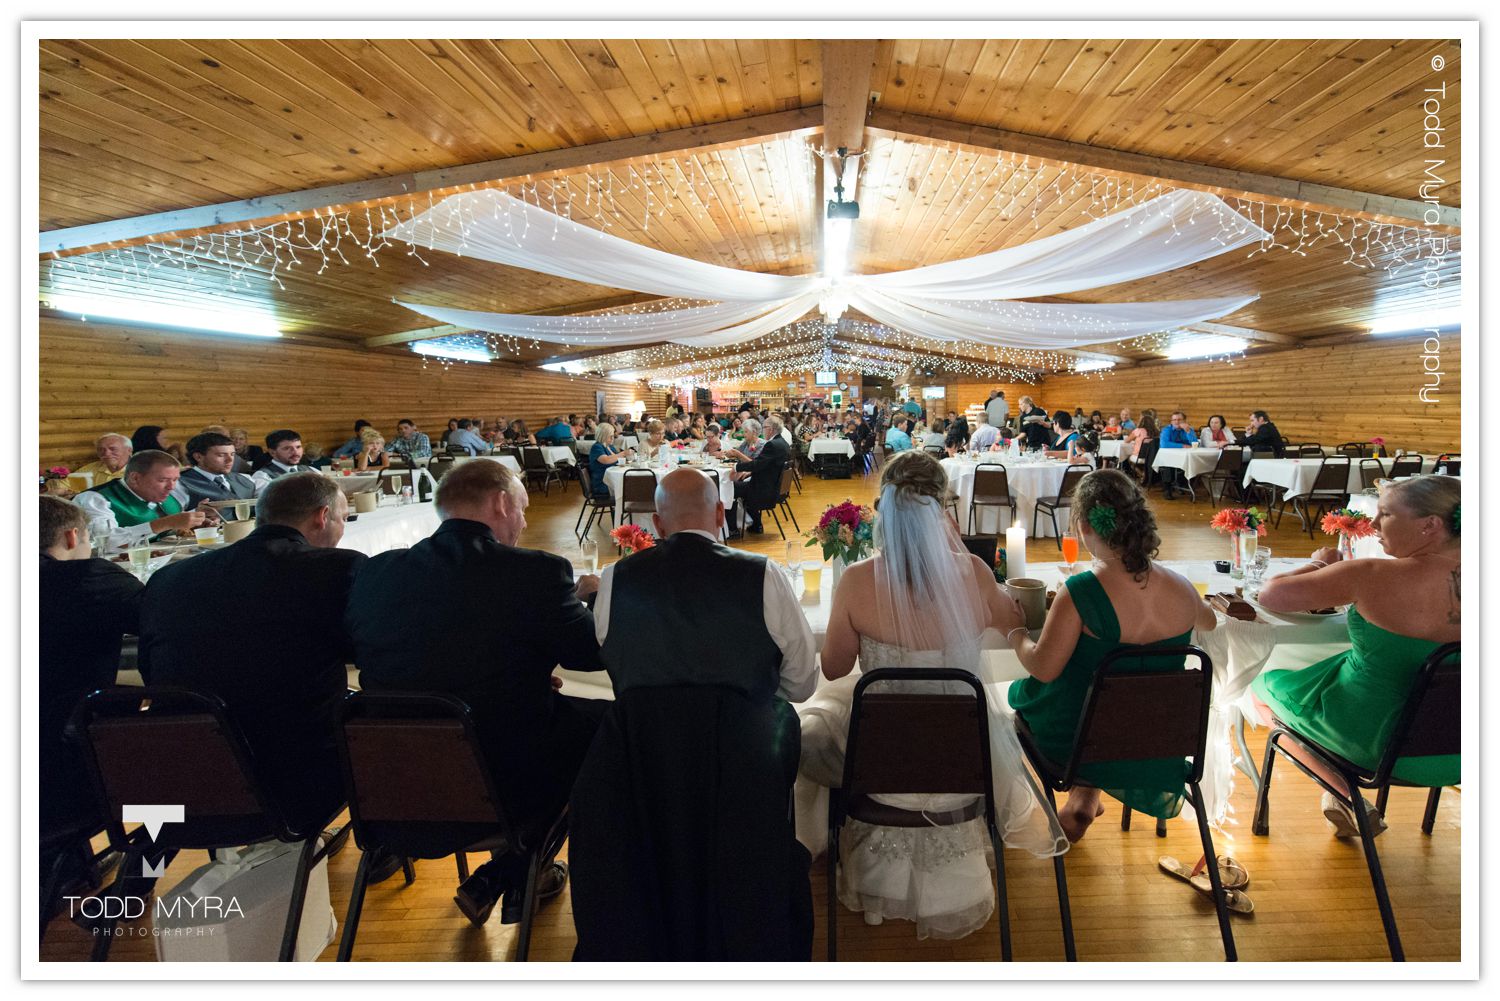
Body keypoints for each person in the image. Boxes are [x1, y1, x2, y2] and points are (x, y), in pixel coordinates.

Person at [801, 451, 1067, 939]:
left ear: (885, 512)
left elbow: (834, 667)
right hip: (961, 755)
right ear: (941, 510)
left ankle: (832, 851)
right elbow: (1014, 622)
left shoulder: (859, 581)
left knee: (813, 731)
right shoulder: (974, 573)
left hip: (883, 755)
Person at [346, 460, 606, 927]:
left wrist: (517, 672)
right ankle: (525, 865)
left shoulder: (377, 572)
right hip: (500, 773)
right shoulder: (536, 571)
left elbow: (405, 650)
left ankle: (513, 869)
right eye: (523, 509)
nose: (525, 521)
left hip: (394, 778)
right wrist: (588, 598)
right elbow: (589, 655)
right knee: (614, 729)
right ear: (502, 502)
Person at [1002, 468, 1218, 842]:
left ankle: (1081, 794)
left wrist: (1016, 632)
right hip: (1154, 741)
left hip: (1075, 743)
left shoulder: (1081, 591)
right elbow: (1210, 622)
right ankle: (1085, 798)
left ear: (1085, 526)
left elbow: (1044, 668)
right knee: (1109, 704)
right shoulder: (1181, 588)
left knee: (1030, 696)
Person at [139, 472, 361, 833]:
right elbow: (363, 650)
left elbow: (151, 669)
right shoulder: (340, 567)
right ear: (322, 517)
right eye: (342, 518)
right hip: (294, 773)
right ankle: (386, 845)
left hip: (179, 772)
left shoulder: (170, 577)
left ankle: (147, 869)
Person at [1252, 475, 1460, 837]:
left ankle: (1345, 794)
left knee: (1259, 685)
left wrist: (1321, 565)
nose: (1375, 524)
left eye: (1386, 515)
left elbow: (1271, 595)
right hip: (1462, 747)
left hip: (1374, 740)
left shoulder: (1371, 574)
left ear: (1430, 525)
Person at [595, 467, 815, 704]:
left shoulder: (614, 578)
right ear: (720, 513)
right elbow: (801, 683)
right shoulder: (765, 573)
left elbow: (615, 661)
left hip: (643, 737)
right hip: (745, 736)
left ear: (658, 524)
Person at [39, 497, 144, 850]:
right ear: (72, 537)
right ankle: (141, 875)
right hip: (64, 774)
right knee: (174, 784)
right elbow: (160, 622)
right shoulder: (88, 577)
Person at [74, 449, 211, 551]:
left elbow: (171, 529)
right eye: (162, 480)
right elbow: (105, 542)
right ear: (135, 478)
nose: (171, 487)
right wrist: (163, 524)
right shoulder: (95, 499)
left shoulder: (163, 495)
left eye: (175, 480)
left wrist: (193, 521)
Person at [728, 417, 790, 536]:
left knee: (731, 488)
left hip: (764, 489)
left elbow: (757, 464)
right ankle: (756, 524)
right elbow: (764, 465)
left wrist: (737, 467)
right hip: (772, 486)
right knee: (738, 485)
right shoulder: (782, 442)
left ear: (771, 429)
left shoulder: (772, 444)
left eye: (764, 427)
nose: (762, 430)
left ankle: (733, 530)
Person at [175, 431, 257, 514]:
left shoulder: (246, 479)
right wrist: (196, 512)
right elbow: (173, 519)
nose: (230, 460)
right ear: (198, 457)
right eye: (221, 455)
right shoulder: (179, 484)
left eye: (232, 454)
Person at [250, 429, 319, 493]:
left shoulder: (312, 471)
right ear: (272, 452)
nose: (295, 452)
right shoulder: (263, 476)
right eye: (287, 448)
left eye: (298, 447)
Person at [1156, 411, 1198, 500]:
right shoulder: (1167, 430)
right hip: (1168, 456)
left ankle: (1188, 487)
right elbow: (1164, 444)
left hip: (1184, 456)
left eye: (1179, 419)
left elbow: (1195, 443)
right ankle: (1167, 489)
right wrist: (1183, 445)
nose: (1176, 422)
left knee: (1194, 462)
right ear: (1171, 421)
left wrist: (1188, 432)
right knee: (1168, 464)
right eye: (1174, 420)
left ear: (1184, 421)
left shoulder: (1189, 429)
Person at [588, 422, 633, 498]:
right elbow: (606, 460)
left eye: (613, 436)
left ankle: (627, 508)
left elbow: (618, 460)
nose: (613, 438)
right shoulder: (597, 447)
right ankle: (623, 508)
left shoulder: (610, 447)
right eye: (610, 436)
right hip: (602, 483)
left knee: (633, 484)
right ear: (603, 436)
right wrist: (623, 453)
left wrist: (629, 459)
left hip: (612, 480)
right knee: (630, 487)